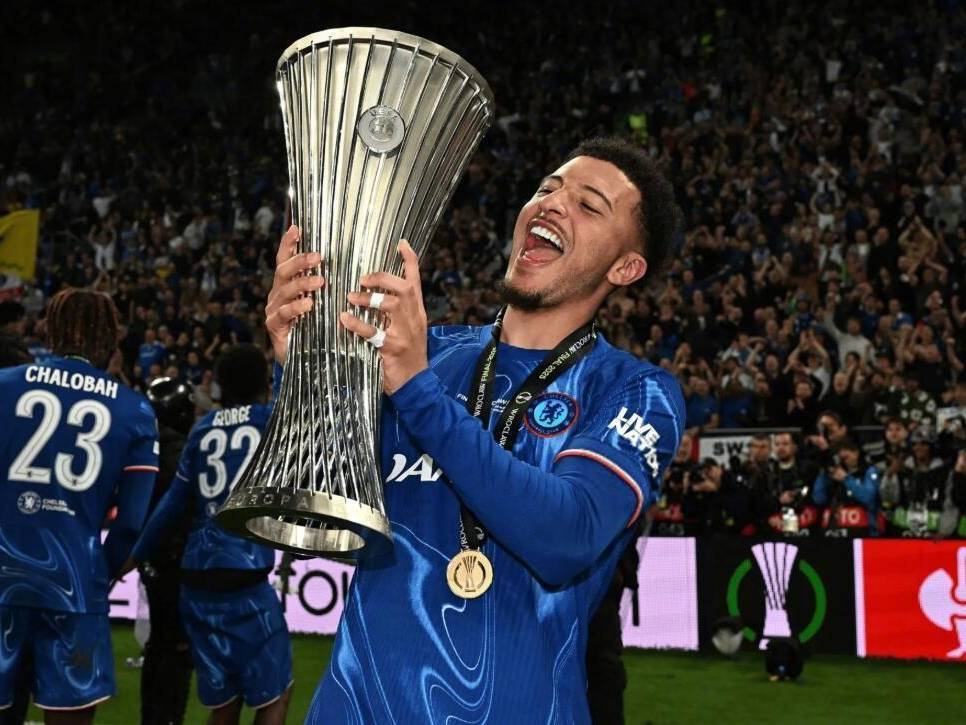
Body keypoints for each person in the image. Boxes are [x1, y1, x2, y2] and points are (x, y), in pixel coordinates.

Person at [266, 137, 685, 723]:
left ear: (625, 267)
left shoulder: (635, 391)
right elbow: (315, 501)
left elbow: (567, 536)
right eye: (547, 188)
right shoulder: (423, 353)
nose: (552, 203)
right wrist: (302, 371)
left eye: (589, 205)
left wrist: (418, 393)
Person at [0, 288, 159, 721]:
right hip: (75, 580)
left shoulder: (5, 384)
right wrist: (100, 574)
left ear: (50, 329)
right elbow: (132, 522)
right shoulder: (134, 409)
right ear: (110, 338)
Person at [125, 345, 292, 725]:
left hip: (197, 581)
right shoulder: (269, 419)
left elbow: (171, 507)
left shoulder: (202, 430)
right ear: (264, 384)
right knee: (275, 696)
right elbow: (290, 400)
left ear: (218, 385)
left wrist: (130, 559)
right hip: (244, 575)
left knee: (224, 701)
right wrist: (283, 357)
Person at [139, 377, 197, 725]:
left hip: (151, 558)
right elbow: (184, 509)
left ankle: (151, 717)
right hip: (177, 560)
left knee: (158, 645)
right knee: (177, 648)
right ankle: (169, 717)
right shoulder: (180, 452)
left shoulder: (144, 446)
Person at [812, 438, 881, 537]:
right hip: (835, 530)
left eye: (847, 450)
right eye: (840, 451)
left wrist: (846, 478)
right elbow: (818, 499)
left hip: (863, 530)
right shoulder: (833, 474)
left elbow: (868, 497)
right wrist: (824, 474)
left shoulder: (868, 471)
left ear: (857, 452)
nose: (843, 453)